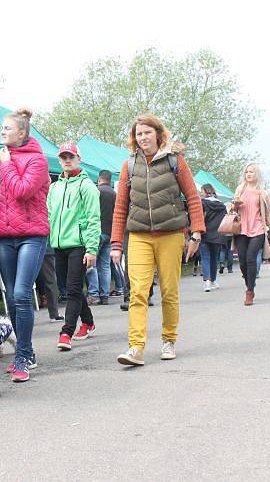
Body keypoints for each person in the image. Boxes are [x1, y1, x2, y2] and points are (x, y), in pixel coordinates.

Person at [111, 114, 204, 366]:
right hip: (139, 236)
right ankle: (136, 347)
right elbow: (120, 207)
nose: (142, 138)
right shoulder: (129, 166)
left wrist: (196, 232)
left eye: (147, 133)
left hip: (171, 235)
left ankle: (169, 340)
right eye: (138, 134)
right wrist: (116, 243)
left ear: (158, 134)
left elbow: (193, 198)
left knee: (169, 291)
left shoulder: (176, 161)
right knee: (137, 292)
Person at [0, 107, 50, 382]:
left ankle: (22, 357)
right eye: (1, 127)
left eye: (7, 128)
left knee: (21, 294)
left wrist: (5, 165)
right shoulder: (0, 157)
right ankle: (26, 351)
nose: (2, 131)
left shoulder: (38, 161)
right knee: (12, 302)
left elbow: (22, 191)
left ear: (22, 132)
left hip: (31, 235)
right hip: (5, 237)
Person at [47, 142, 100, 351]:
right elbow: (48, 214)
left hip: (79, 245)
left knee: (73, 289)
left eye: (71, 157)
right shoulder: (54, 187)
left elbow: (94, 219)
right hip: (58, 245)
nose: (67, 160)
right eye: (63, 157)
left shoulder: (87, 186)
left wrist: (92, 249)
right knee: (67, 289)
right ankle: (88, 322)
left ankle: (66, 331)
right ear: (59, 160)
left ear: (78, 159)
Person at [232, 163, 270, 306]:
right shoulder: (240, 189)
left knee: (251, 259)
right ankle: (249, 283)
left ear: (256, 174)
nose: (248, 174)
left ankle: (249, 291)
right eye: (246, 172)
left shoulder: (262, 193)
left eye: (251, 172)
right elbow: (233, 210)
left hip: (258, 229)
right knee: (243, 261)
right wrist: (236, 204)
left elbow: (269, 216)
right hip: (241, 229)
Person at [87, 169, 117, 306]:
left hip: (96, 232)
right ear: (109, 180)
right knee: (105, 265)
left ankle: (94, 294)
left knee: (91, 264)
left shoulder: (95, 191)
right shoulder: (115, 194)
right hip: (110, 233)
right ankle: (104, 295)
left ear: (99, 179)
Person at [200, 183, 227, 292]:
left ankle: (207, 281)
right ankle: (213, 280)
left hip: (205, 233)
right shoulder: (221, 205)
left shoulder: (203, 203)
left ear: (205, 191)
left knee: (206, 257)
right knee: (214, 257)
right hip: (218, 234)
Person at [36, 244, 64, 322]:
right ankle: (54, 314)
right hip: (44, 246)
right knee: (50, 279)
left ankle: (22, 318)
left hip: (22, 248)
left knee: (25, 283)